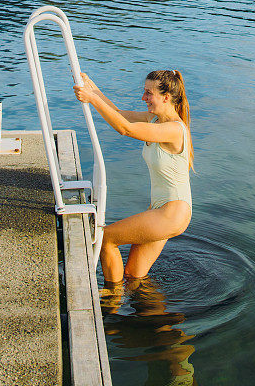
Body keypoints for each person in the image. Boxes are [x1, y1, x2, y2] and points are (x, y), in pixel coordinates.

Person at [73, 69, 193, 283]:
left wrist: (92, 99)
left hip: (172, 212)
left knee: (106, 238)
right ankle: (146, 309)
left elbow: (125, 129)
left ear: (166, 97)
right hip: (161, 209)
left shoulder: (174, 129)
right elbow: (119, 113)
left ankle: (112, 300)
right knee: (133, 275)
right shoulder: (154, 120)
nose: (143, 98)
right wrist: (94, 91)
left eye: (149, 93)